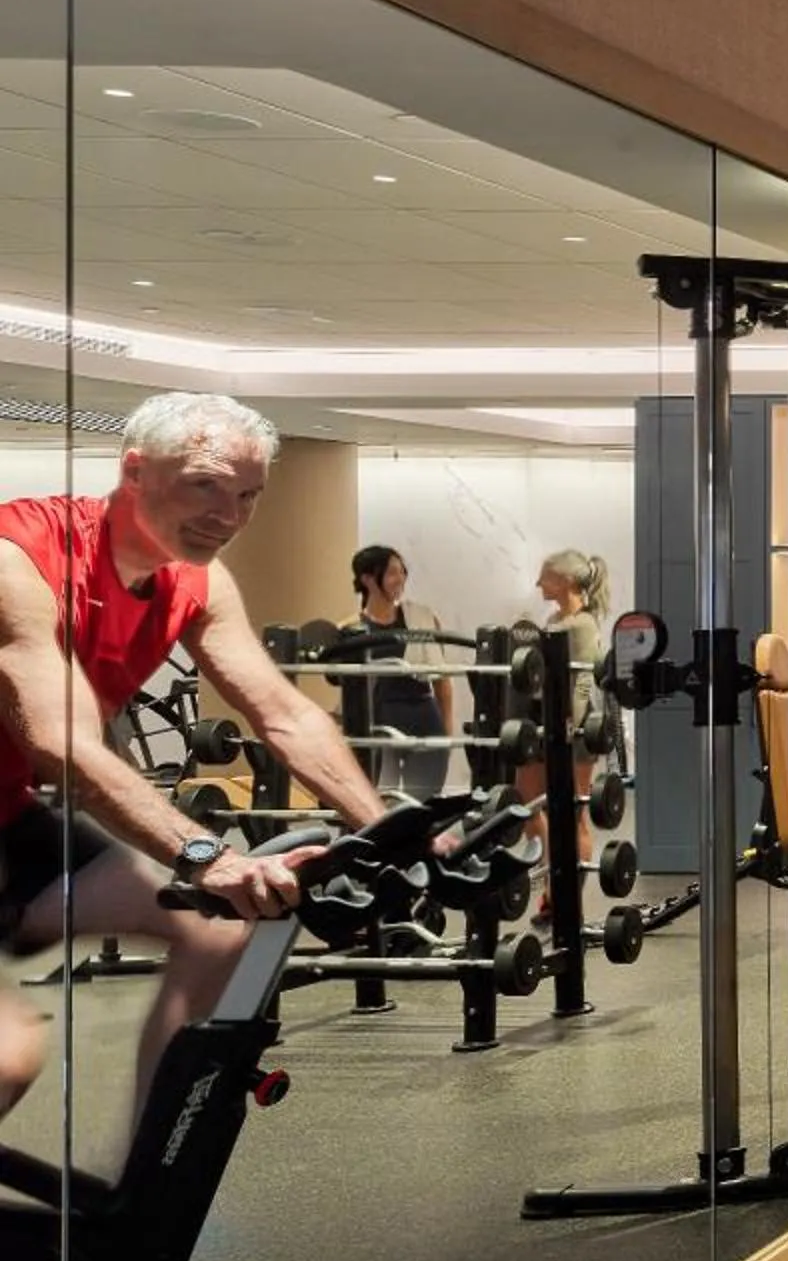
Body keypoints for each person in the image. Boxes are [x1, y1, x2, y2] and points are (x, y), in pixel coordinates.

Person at [0, 392, 389, 1133]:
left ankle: (147, 1178)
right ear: (135, 471)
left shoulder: (195, 580)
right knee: (8, 1059)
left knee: (213, 934)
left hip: (5, 813)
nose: (228, 515)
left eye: (247, 495)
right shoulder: (19, 558)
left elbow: (284, 713)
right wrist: (205, 855)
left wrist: (389, 829)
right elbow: (63, 744)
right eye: (205, 483)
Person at [517, 548, 610, 898]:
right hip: (543, 720)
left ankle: (563, 896)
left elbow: (585, 679)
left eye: (547, 576)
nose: (539, 582)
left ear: (567, 581)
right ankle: (554, 870)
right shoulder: (553, 623)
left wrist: (573, 724)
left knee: (573, 813)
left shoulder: (584, 624)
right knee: (525, 804)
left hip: (576, 724)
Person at [346, 543, 460, 798]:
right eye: (391, 573)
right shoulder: (352, 628)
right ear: (367, 579)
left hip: (423, 715)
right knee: (380, 801)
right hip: (378, 719)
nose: (400, 579)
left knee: (423, 802)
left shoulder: (421, 617)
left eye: (402, 572)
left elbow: (442, 679)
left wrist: (447, 730)